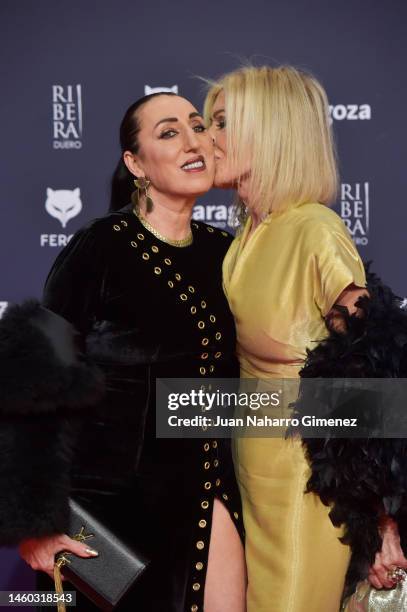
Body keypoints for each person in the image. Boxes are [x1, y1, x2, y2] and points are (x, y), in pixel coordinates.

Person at [11, 92, 246, 611]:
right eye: (168, 132)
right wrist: (35, 520)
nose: (192, 141)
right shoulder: (100, 247)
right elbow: (30, 384)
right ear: (135, 163)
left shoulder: (227, 252)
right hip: (110, 511)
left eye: (197, 125)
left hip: (210, 495)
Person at [204, 65, 379, 611]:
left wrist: (386, 516)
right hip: (251, 472)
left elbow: (374, 370)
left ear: (272, 132)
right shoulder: (247, 235)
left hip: (308, 484)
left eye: (222, 123)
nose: (206, 139)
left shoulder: (315, 230)